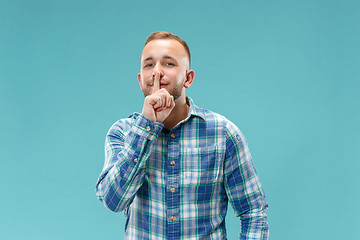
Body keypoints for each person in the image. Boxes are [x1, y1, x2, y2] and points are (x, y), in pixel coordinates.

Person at [95, 31, 269, 239]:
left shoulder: (224, 134)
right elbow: (114, 201)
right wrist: (146, 127)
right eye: (149, 65)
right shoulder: (123, 133)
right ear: (141, 79)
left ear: (188, 78)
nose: (157, 72)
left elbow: (253, 211)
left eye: (168, 64)